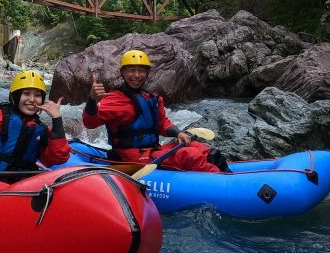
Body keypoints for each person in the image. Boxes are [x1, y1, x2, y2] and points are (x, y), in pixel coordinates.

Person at [83, 49, 229, 173]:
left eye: (141, 70)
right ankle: (224, 186)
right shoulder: (114, 99)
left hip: (152, 151)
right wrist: (91, 99)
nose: (137, 75)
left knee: (202, 148)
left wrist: (177, 132)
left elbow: (162, 123)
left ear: (147, 73)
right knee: (189, 155)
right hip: (130, 157)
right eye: (131, 70)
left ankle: (230, 175)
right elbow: (90, 123)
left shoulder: (151, 98)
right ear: (123, 73)